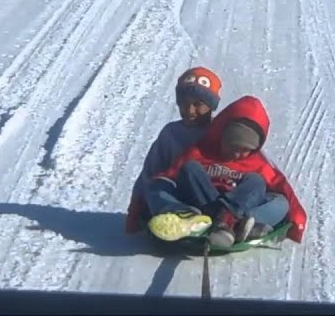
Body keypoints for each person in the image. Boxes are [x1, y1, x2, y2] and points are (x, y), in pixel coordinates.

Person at [144, 95, 307, 249]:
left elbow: (281, 185)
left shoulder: (257, 163)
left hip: (239, 207)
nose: (237, 154)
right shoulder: (201, 152)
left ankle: (229, 221)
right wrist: (152, 200)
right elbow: (170, 176)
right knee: (175, 175)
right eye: (232, 146)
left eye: (245, 150)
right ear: (221, 138)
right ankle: (186, 217)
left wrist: (297, 221)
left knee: (270, 194)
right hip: (201, 204)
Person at [124, 66, 223, 234]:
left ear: (211, 105)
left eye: (198, 104)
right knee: (155, 186)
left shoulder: (222, 131)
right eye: (184, 104)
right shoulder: (170, 134)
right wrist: (134, 210)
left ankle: (222, 219)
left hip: (211, 196)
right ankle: (183, 216)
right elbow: (149, 172)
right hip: (177, 196)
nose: (190, 110)